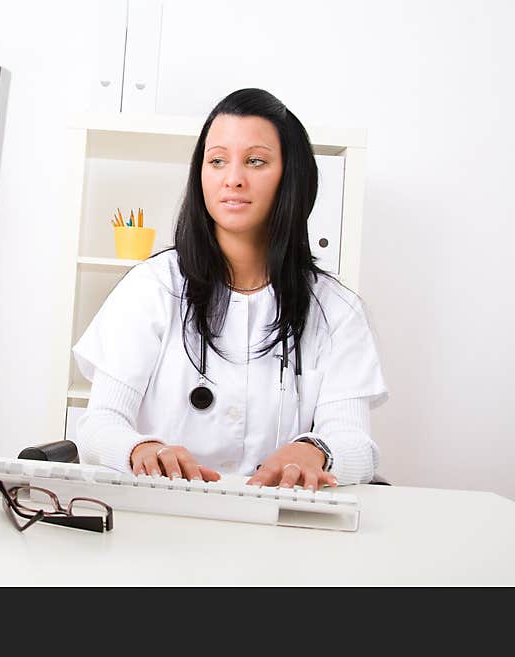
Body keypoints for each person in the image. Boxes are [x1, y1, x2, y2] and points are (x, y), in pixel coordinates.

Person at [72, 88, 388, 490]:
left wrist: (316, 450)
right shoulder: (151, 288)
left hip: (279, 522)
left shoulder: (336, 309)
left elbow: (356, 444)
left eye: (255, 161)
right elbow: (100, 425)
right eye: (217, 161)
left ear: (291, 176)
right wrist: (140, 450)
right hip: (165, 514)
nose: (233, 179)